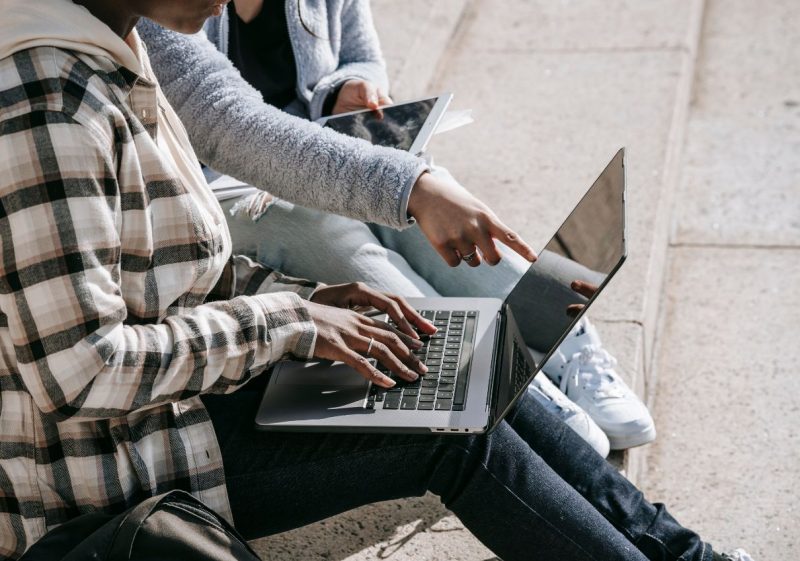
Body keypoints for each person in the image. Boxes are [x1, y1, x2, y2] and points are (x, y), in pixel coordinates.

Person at [0, 1, 757, 560]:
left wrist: (303, 301)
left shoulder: (115, 47)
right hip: (133, 455)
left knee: (470, 359)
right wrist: (290, 323)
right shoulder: (52, 106)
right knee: (456, 435)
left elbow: (162, 266)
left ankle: (687, 555)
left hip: (194, 395)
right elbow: (81, 370)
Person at [137, 0, 655, 456]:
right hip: (216, 189)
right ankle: (499, 381)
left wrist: (346, 90)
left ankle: (564, 347)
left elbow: (360, 54)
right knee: (332, 230)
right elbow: (226, 124)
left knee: (428, 208)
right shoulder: (160, 7)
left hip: (319, 142)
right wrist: (411, 187)